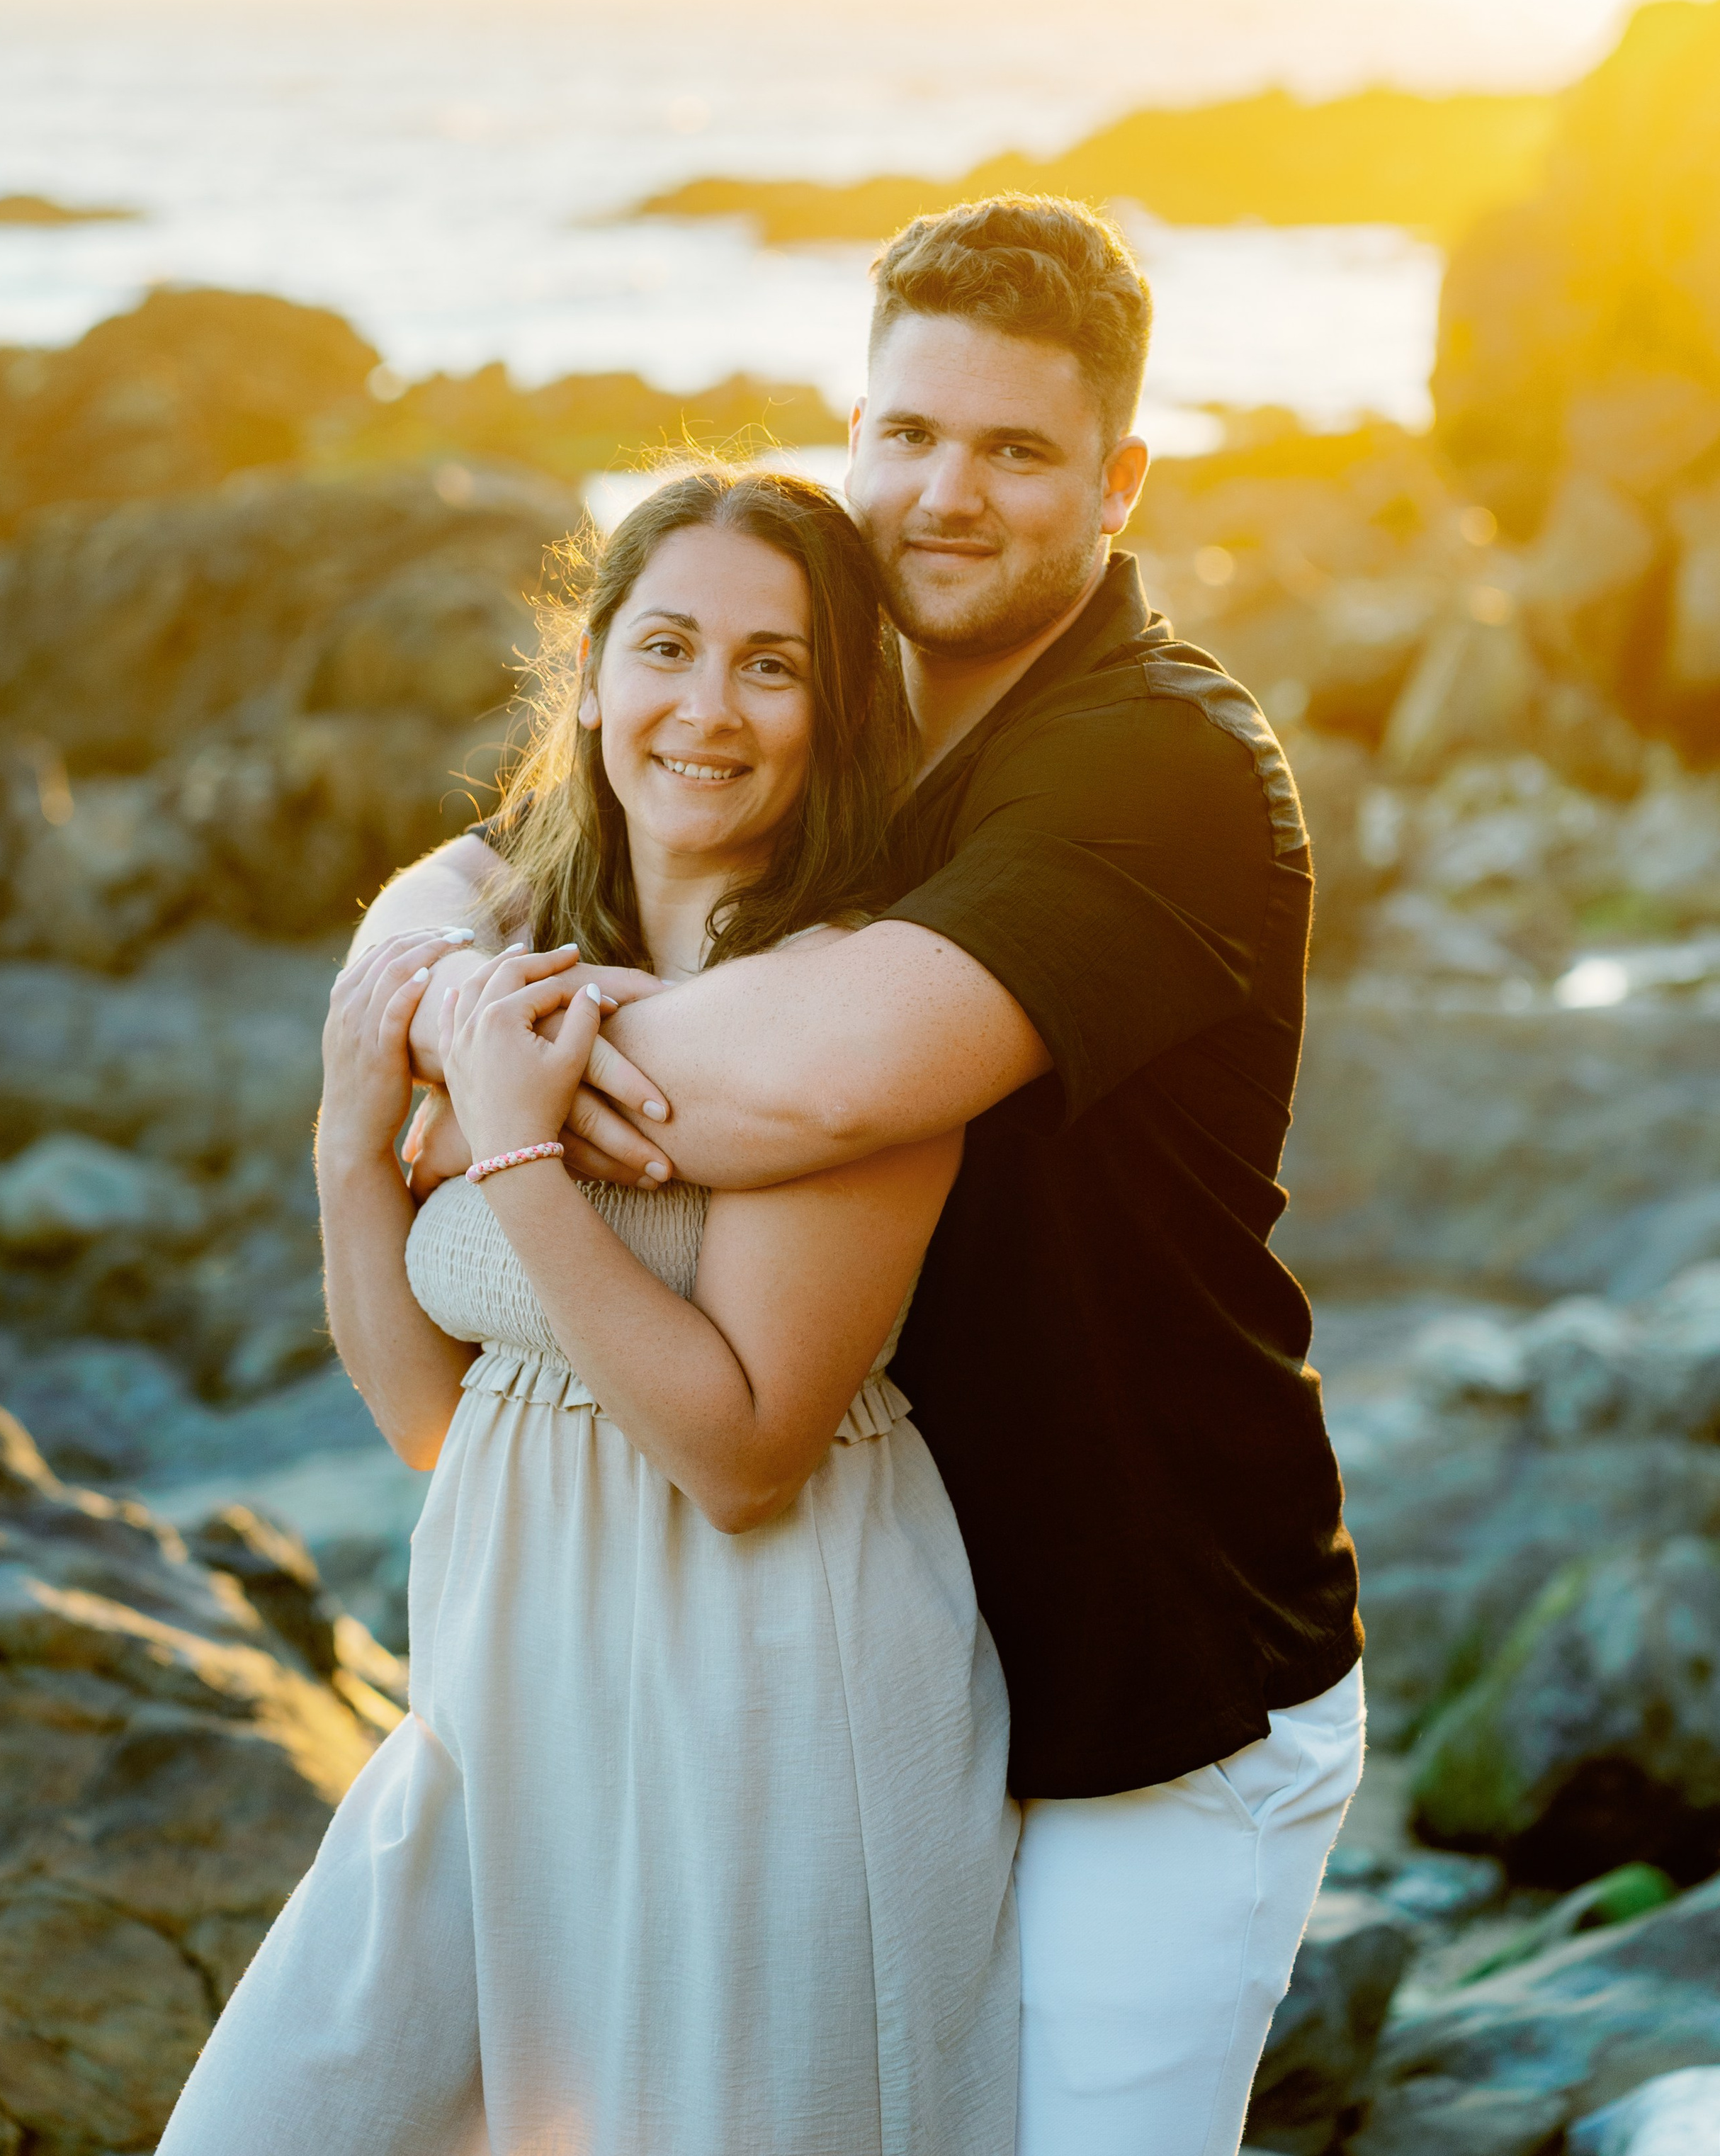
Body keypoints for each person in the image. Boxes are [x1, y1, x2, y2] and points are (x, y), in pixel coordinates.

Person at [374, 193, 1367, 2156]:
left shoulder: (1159, 762)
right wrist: (424, 993)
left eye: (1015, 449)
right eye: (906, 434)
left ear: (1121, 478)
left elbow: (817, 1089)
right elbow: (494, 858)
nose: (945, 493)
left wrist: (491, 1070)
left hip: (1142, 1694)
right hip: (876, 1676)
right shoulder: (843, 706)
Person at [157, 469, 1020, 2156]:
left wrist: (518, 1149)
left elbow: (744, 1448)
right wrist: (353, 1134)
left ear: (835, 710)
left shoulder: (850, 1013)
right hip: (504, 1697)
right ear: (592, 676)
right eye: (668, 646)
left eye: (771, 666)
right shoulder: (512, 959)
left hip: (766, 1696)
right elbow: (436, 1419)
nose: (707, 707)